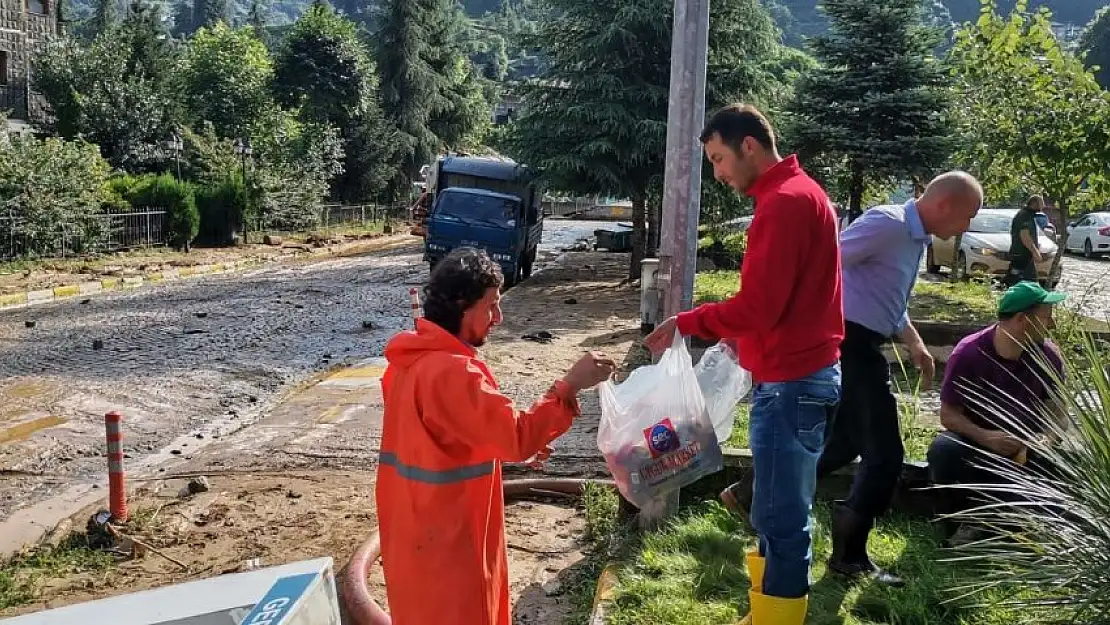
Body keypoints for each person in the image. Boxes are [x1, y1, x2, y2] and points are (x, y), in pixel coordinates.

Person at [733, 173, 983, 588]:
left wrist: (914, 343)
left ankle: (749, 492)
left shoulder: (913, 238)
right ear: (946, 205)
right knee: (885, 456)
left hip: (863, 341)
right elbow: (822, 263)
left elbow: (884, 297)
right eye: (968, 215)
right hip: (848, 343)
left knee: (845, 442)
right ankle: (848, 556)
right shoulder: (888, 224)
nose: (968, 226)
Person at [645, 103, 843, 624]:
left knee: (780, 518)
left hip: (792, 380)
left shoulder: (782, 204)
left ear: (749, 146)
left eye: (717, 159)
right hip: (798, 372)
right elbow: (783, 302)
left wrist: (689, 322)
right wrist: (737, 340)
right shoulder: (802, 194)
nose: (717, 173)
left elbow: (758, 307)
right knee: (774, 511)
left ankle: (774, 618)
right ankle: (767, 611)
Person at [375, 247, 616, 625]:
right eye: (491, 306)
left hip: (412, 529)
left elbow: (441, 439)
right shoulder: (453, 372)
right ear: (460, 304)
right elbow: (517, 436)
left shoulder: (409, 363)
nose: (498, 318)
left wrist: (494, 447)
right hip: (451, 538)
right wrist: (568, 386)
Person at [927, 280, 1067, 545]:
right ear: (1022, 320)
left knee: (1061, 474)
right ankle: (959, 516)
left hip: (1026, 450)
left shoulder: (1049, 355)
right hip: (977, 444)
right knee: (944, 449)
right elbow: (948, 415)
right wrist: (985, 437)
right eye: (1046, 318)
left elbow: (1059, 413)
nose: (1052, 326)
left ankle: (1005, 520)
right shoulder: (969, 353)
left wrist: (1046, 438)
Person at [1007, 195, 1044, 286]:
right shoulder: (1025, 215)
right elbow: (1024, 236)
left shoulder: (1028, 215)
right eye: (1041, 203)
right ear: (1034, 203)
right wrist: (1035, 252)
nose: (1043, 206)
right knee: (1025, 282)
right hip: (1022, 255)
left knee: (1019, 281)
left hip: (1024, 255)